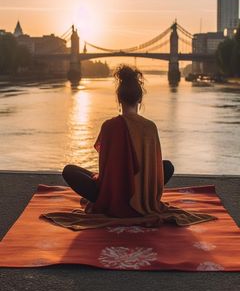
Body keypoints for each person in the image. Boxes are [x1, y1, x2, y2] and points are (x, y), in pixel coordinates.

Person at [42, 65, 217, 230]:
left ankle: (116, 197)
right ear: (140, 99)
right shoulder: (150, 127)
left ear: (119, 98)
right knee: (167, 166)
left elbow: (105, 168)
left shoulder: (108, 126)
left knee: (69, 170)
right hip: (143, 195)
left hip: (112, 196)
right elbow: (154, 165)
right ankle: (140, 195)